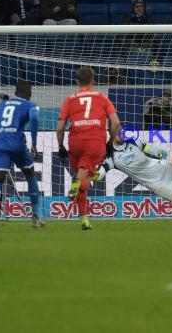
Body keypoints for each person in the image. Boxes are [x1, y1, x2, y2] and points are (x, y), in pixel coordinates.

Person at [56, 67, 121, 230]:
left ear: (77, 81)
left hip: (75, 142)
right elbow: (116, 123)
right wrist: (111, 141)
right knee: (83, 177)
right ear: (93, 80)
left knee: (82, 177)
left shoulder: (69, 99)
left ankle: (84, 219)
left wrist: (60, 146)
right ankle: (77, 182)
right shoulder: (102, 98)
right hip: (94, 142)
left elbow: (60, 127)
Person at [0, 80, 44, 229]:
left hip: (0, 144)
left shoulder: (1, 105)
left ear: (15, 92)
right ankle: (36, 216)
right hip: (17, 144)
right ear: (29, 94)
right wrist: (34, 143)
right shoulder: (31, 105)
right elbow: (34, 119)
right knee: (30, 176)